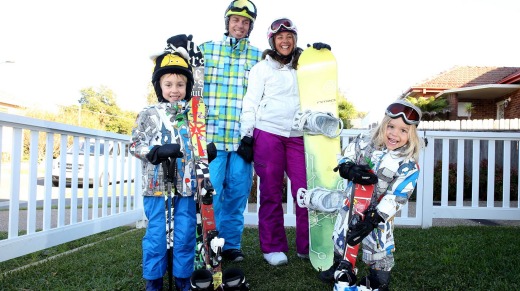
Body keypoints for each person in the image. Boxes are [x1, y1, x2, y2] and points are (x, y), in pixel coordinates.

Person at [239, 17, 332, 266]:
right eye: (279, 37)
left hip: (298, 135)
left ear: (295, 40)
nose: (285, 41)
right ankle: (273, 247)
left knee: (305, 190)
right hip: (268, 132)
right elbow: (250, 103)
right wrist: (247, 135)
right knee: (270, 191)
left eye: (289, 36)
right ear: (272, 41)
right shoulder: (262, 69)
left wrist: (320, 57)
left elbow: (323, 84)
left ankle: (307, 244)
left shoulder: (303, 67)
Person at [311, 99, 423, 290]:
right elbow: (347, 155)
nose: (395, 134)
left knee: (379, 244)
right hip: (352, 202)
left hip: (377, 214)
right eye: (391, 126)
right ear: (383, 125)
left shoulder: (407, 165)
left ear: (411, 135)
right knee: (342, 234)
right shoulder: (366, 142)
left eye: (403, 130)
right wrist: (348, 168)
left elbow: (397, 195)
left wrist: (373, 219)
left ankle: (378, 276)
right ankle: (341, 266)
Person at [130, 45, 210, 291]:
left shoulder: (194, 113)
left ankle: (183, 280)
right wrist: (153, 152)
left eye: (180, 84)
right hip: (156, 188)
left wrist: (208, 152)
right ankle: (153, 281)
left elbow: (198, 144)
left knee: (184, 235)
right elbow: (135, 143)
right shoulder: (148, 113)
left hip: (185, 188)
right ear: (159, 86)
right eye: (168, 84)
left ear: (187, 86)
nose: (174, 90)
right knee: (157, 236)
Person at [197, 0, 263, 262]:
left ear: (250, 27)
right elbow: (179, 69)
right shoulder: (207, 50)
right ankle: (208, 243)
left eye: (246, 22)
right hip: (212, 139)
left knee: (237, 195)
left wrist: (302, 57)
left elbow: (284, 68)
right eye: (236, 20)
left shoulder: (259, 57)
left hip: (242, 141)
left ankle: (231, 245)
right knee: (210, 197)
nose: (240, 25)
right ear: (227, 23)